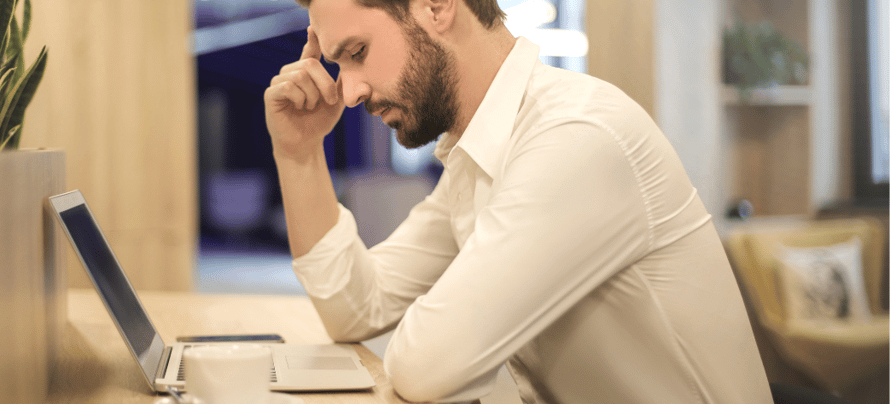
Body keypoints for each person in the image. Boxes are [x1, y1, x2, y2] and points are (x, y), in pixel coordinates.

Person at [263, 0, 773, 402]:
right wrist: (299, 152)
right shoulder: (478, 156)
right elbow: (357, 309)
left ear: (436, 7)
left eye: (357, 53)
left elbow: (428, 367)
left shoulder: (576, 137)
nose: (348, 92)